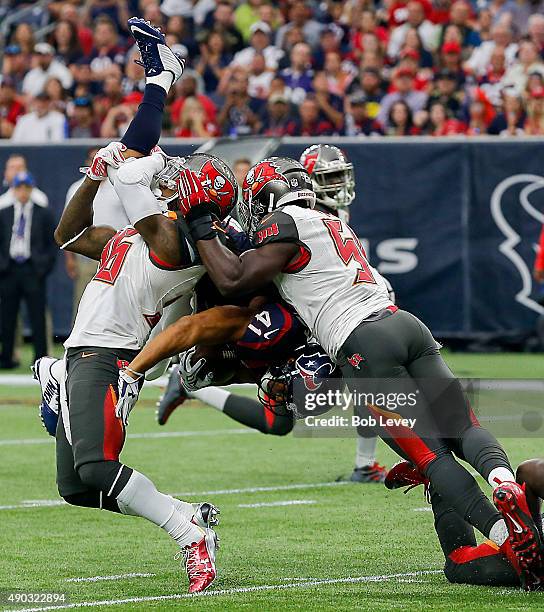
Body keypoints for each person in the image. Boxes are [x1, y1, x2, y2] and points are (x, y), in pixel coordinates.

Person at [171, 155, 543, 589]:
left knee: (430, 455)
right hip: (405, 324)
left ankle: (508, 535)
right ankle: (501, 477)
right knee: (463, 427)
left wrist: (199, 221)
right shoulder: (332, 222)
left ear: (267, 197)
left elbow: (234, 279)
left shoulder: (284, 225)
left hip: (363, 343)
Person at [37, 18, 222, 594]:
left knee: (96, 468)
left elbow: (134, 163)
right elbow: (69, 237)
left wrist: (158, 87)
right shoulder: (138, 238)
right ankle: (185, 511)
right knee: (77, 488)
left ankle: (187, 531)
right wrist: (92, 180)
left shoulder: (174, 245)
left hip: (109, 357)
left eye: (182, 183)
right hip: (83, 352)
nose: (173, 183)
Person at [0, 172, 56, 369]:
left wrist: (43, 267)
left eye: (26, 188)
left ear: (32, 189)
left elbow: (52, 244)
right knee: (7, 316)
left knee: (37, 316)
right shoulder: (4, 212)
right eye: (19, 188)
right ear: (14, 189)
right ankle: (6, 357)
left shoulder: (44, 213)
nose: (23, 192)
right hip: (10, 269)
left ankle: (40, 358)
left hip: (33, 269)